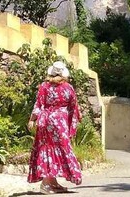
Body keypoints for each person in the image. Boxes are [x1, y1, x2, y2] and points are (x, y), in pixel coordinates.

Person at [27, 61, 83, 194]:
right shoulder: (68, 88)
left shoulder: (44, 86)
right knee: (61, 148)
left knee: (46, 149)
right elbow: (73, 106)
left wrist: (32, 120)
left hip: (45, 121)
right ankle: (46, 184)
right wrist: (74, 121)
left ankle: (52, 182)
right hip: (59, 122)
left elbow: (38, 105)